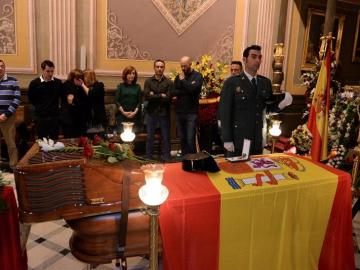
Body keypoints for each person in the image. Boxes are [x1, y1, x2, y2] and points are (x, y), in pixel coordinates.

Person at [219, 45, 292, 155]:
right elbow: (225, 113)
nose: (257, 60)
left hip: (257, 139)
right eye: (253, 57)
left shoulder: (265, 83)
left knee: (255, 170)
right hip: (239, 139)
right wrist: (227, 139)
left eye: (259, 57)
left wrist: (282, 104)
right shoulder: (232, 83)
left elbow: (266, 109)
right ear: (244, 60)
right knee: (239, 170)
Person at [171, 56, 203, 156]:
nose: (183, 68)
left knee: (190, 138)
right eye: (181, 66)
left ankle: (193, 159)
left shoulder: (197, 76)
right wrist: (187, 89)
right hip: (179, 112)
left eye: (185, 66)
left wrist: (184, 81)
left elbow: (194, 90)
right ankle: (185, 160)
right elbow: (173, 92)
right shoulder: (178, 76)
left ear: (190, 64)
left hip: (191, 113)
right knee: (182, 138)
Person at [144, 59, 173, 161]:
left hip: (164, 113)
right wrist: (161, 95)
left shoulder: (169, 82)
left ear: (164, 68)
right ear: (154, 68)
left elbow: (168, 98)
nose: (159, 69)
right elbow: (147, 96)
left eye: (161, 67)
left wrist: (154, 95)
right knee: (150, 137)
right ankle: (148, 158)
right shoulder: (148, 81)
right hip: (151, 113)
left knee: (166, 137)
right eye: (157, 67)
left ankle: (167, 158)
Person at [28, 60, 63, 139]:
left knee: (54, 140)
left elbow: (62, 97)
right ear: (42, 70)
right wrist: (40, 107)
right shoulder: (34, 83)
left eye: (52, 71)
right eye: (48, 71)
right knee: (42, 141)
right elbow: (31, 99)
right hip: (40, 117)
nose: (50, 74)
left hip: (54, 117)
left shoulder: (58, 83)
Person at [0, 60, 20, 169]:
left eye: (2, 66)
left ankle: (14, 167)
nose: (0, 68)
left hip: (8, 117)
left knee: (11, 144)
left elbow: (16, 99)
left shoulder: (13, 81)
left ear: (5, 68)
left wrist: (6, 114)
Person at [60, 69, 88, 138]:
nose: (80, 80)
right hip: (69, 118)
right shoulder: (66, 85)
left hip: (80, 118)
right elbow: (70, 100)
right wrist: (75, 101)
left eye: (81, 78)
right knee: (69, 140)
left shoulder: (82, 86)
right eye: (77, 78)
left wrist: (82, 86)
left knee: (82, 140)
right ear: (72, 78)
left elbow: (87, 99)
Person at [115, 66, 142, 133]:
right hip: (122, 115)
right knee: (122, 136)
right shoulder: (120, 86)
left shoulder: (137, 87)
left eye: (133, 73)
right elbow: (117, 101)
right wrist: (124, 112)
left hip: (135, 115)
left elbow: (139, 101)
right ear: (125, 74)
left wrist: (134, 113)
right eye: (129, 73)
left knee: (134, 136)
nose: (132, 75)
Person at [83, 69, 107, 139]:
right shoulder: (84, 87)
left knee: (99, 138)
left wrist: (82, 85)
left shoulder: (99, 85)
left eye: (84, 77)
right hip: (87, 118)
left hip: (98, 118)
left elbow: (91, 94)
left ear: (89, 77)